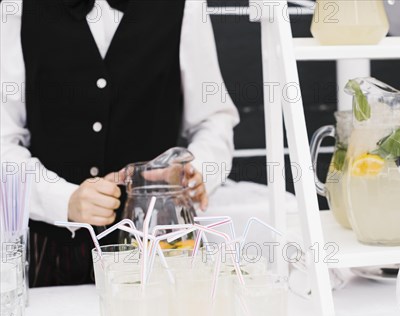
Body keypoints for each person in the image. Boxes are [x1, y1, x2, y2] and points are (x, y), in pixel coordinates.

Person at [0, 0, 239, 286]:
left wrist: (197, 172)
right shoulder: (17, 7)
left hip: (160, 249)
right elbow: (3, 141)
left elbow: (214, 120)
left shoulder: (185, 6)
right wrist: (63, 200)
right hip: (53, 251)